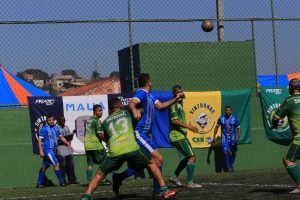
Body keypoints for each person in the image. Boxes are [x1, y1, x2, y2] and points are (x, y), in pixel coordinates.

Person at [81, 97, 178, 200]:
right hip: (131, 149)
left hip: (115, 152)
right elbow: (140, 112)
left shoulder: (104, 122)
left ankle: (86, 196)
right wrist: (142, 109)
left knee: (99, 174)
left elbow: (107, 137)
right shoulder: (127, 113)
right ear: (121, 105)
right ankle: (164, 190)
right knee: (153, 162)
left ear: (110, 109)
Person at [113, 73, 184, 197]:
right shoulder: (141, 92)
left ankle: (119, 177)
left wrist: (176, 99)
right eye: (151, 81)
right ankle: (159, 191)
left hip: (145, 134)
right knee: (158, 159)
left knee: (143, 163)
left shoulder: (151, 95)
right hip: (139, 133)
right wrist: (134, 110)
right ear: (149, 82)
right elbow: (132, 102)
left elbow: (161, 106)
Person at [168, 85, 202, 188]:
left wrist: (182, 95)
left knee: (188, 157)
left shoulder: (178, 104)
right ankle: (190, 183)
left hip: (180, 135)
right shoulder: (174, 104)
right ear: (174, 93)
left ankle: (174, 176)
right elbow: (174, 120)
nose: (181, 93)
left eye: (182, 91)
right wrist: (190, 127)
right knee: (192, 157)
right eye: (179, 92)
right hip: (177, 135)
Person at [272, 78, 300, 194]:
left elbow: (275, 118)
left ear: (291, 88)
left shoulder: (289, 101)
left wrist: (274, 125)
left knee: (288, 160)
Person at [36, 115, 72, 188]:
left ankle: (38, 183)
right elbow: (40, 140)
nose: (51, 121)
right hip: (47, 150)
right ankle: (62, 182)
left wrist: (68, 144)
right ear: (47, 121)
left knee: (45, 166)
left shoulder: (56, 128)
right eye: (49, 120)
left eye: (52, 120)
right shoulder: (44, 129)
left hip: (53, 150)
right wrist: (41, 151)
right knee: (56, 164)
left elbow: (61, 137)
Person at [84, 104, 110, 185]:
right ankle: (103, 179)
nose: (101, 112)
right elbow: (100, 134)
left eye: (102, 110)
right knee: (104, 162)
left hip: (87, 145)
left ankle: (89, 181)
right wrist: (107, 141)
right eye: (99, 111)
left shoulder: (88, 120)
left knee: (90, 164)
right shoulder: (96, 121)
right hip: (96, 145)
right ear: (94, 112)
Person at [212, 106, 241, 172]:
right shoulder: (221, 118)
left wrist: (238, 137)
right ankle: (228, 168)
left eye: (229, 110)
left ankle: (230, 165)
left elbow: (239, 128)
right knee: (225, 152)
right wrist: (214, 137)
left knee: (233, 152)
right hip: (224, 139)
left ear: (231, 111)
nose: (228, 111)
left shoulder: (234, 118)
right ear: (225, 111)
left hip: (232, 139)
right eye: (226, 110)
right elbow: (216, 127)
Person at [56, 115, 79, 184]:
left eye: (64, 120)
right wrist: (65, 138)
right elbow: (58, 140)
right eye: (61, 120)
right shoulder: (56, 128)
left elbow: (69, 138)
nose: (63, 121)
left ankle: (72, 180)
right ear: (58, 121)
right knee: (62, 166)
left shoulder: (66, 127)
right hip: (61, 149)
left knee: (70, 165)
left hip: (68, 148)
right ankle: (63, 181)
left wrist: (72, 134)